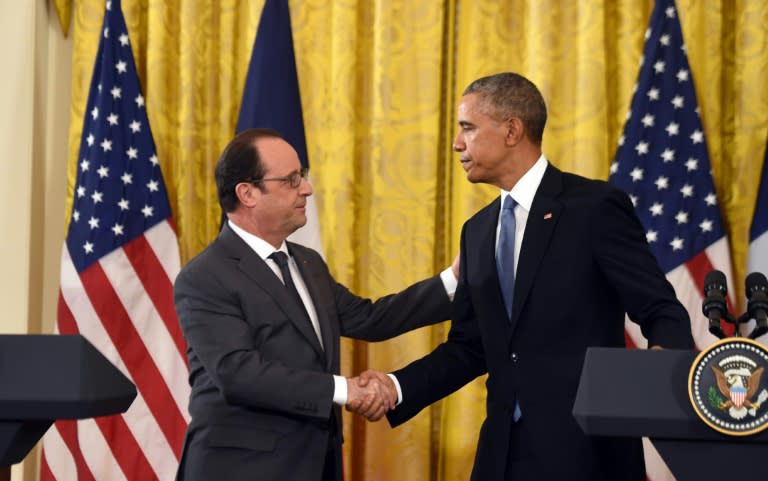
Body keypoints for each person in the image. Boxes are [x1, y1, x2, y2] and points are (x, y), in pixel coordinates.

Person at [363, 72, 694, 481]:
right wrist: (397, 387)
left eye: (467, 128)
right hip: (502, 455)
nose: (456, 143)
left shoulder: (592, 207)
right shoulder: (478, 231)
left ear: (511, 130)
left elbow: (660, 309)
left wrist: (661, 376)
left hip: (587, 453)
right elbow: (469, 347)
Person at [173, 128, 457, 481]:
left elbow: (371, 318)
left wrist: (453, 281)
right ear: (247, 193)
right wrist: (344, 389)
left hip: (316, 465)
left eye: (302, 177)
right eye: (292, 180)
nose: (306, 189)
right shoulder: (205, 276)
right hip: (242, 470)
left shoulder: (307, 263)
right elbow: (239, 373)